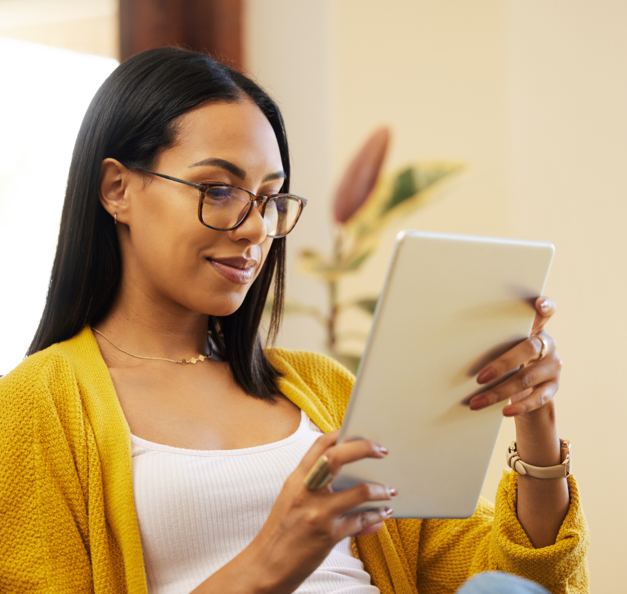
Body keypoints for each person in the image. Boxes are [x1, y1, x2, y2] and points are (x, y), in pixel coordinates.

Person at [0, 48, 588, 594]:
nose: (256, 228)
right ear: (117, 189)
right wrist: (274, 557)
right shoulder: (36, 407)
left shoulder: (322, 389)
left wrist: (534, 425)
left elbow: (522, 578)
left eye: (269, 198)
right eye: (220, 189)